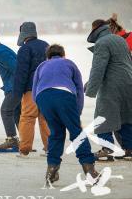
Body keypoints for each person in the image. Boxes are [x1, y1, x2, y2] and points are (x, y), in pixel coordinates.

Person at [33, 44, 99, 184]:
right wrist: (77, 111)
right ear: (63, 55)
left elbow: (34, 91)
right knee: (76, 132)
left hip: (43, 97)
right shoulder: (69, 63)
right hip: (64, 95)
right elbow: (79, 89)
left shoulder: (41, 66)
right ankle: (89, 170)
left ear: (48, 56)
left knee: (56, 133)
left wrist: (43, 108)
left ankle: (51, 171)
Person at [86, 20, 132, 160]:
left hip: (111, 85)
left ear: (95, 30)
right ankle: (129, 149)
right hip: (128, 82)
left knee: (103, 115)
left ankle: (108, 149)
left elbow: (98, 68)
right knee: (125, 116)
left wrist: (91, 90)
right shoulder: (120, 39)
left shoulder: (102, 43)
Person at [13, 22, 50, 158]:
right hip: (47, 88)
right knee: (45, 118)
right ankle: (49, 149)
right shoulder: (46, 45)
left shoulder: (25, 49)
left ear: (23, 34)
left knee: (28, 117)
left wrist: (17, 93)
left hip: (31, 89)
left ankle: (24, 150)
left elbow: (21, 72)